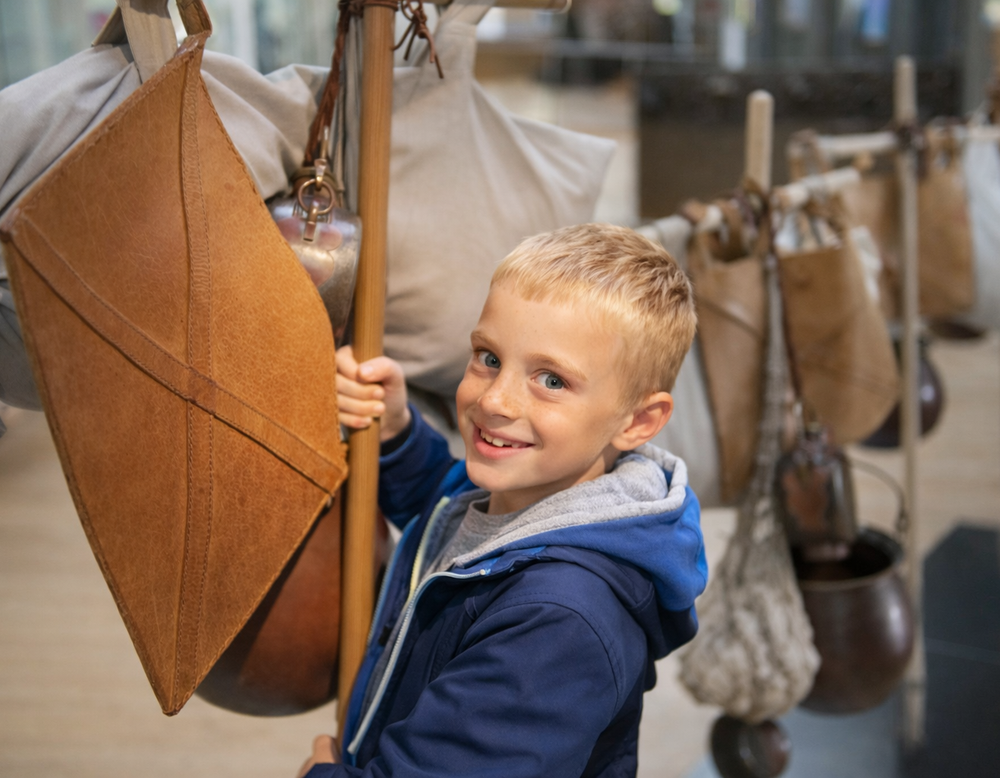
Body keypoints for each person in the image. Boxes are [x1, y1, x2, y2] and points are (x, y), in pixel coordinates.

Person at [299, 223, 707, 778]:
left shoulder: (559, 622)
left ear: (639, 421)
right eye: (488, 357)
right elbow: (449, 509)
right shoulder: (531, 492)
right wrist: (394, 432)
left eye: (552, 380)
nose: (495, 399)